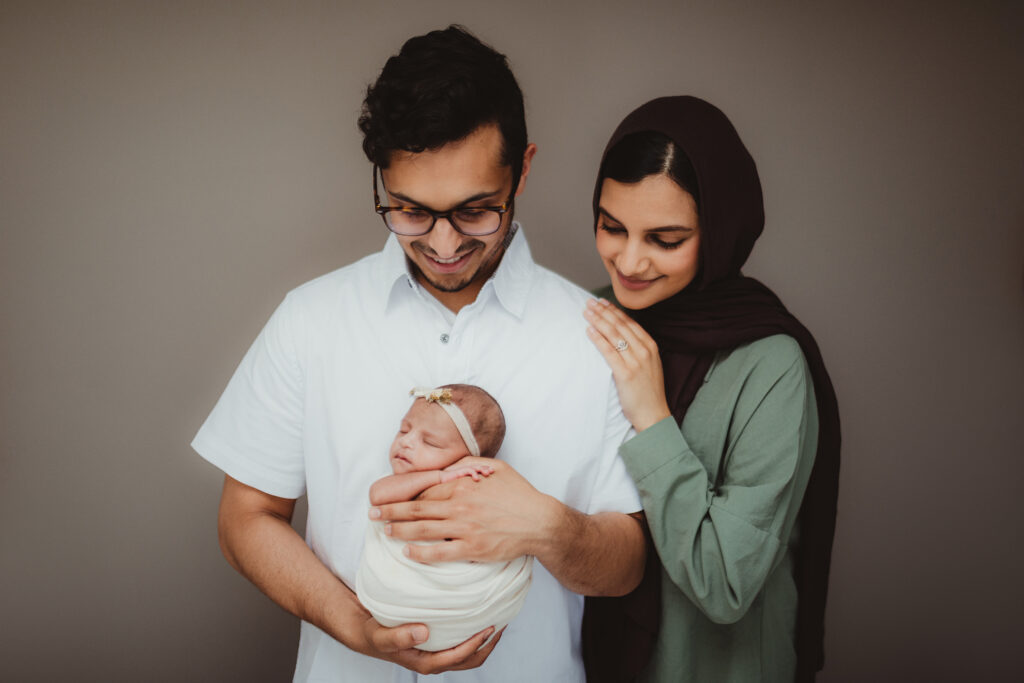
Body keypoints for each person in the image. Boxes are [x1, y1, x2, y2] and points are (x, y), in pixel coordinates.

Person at [191, 25, 645, 682]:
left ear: (523, 168)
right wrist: (349, 621)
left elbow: (627, 565)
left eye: (474, 211)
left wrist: (547, 525)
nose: (442, 242)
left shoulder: (595, 338)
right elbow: (244, 517)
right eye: (409, 210)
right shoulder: (311, 320)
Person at [580, 96, 841, 682]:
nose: (629, 260)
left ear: (719, 230)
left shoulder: (771, 364)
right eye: (611, 226)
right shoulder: (596, 320)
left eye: (665, 239)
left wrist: (652, 418)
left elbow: (724, 583)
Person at [355, 385, 533, 653]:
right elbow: (378, 494)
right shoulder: (403, 485)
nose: (406, 441)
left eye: (430, 442)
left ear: (468, 460)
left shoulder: (477, 495)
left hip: (464, 605)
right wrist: (438, 477)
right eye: (404, 430)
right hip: (401, 594)